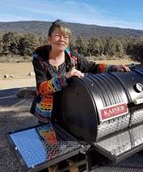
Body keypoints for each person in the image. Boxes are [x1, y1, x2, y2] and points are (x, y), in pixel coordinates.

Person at [31, 19, 130, 172]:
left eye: (66, 37)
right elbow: (42, 88)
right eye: (57, 35)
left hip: (70, 110)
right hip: (47, 113)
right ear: (49, 38)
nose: (62, 39)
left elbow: (94, 66)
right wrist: (66, 77)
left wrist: (114, 67)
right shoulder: (40, 59)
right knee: (52, 151)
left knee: (71, 149)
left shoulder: (73, 57)